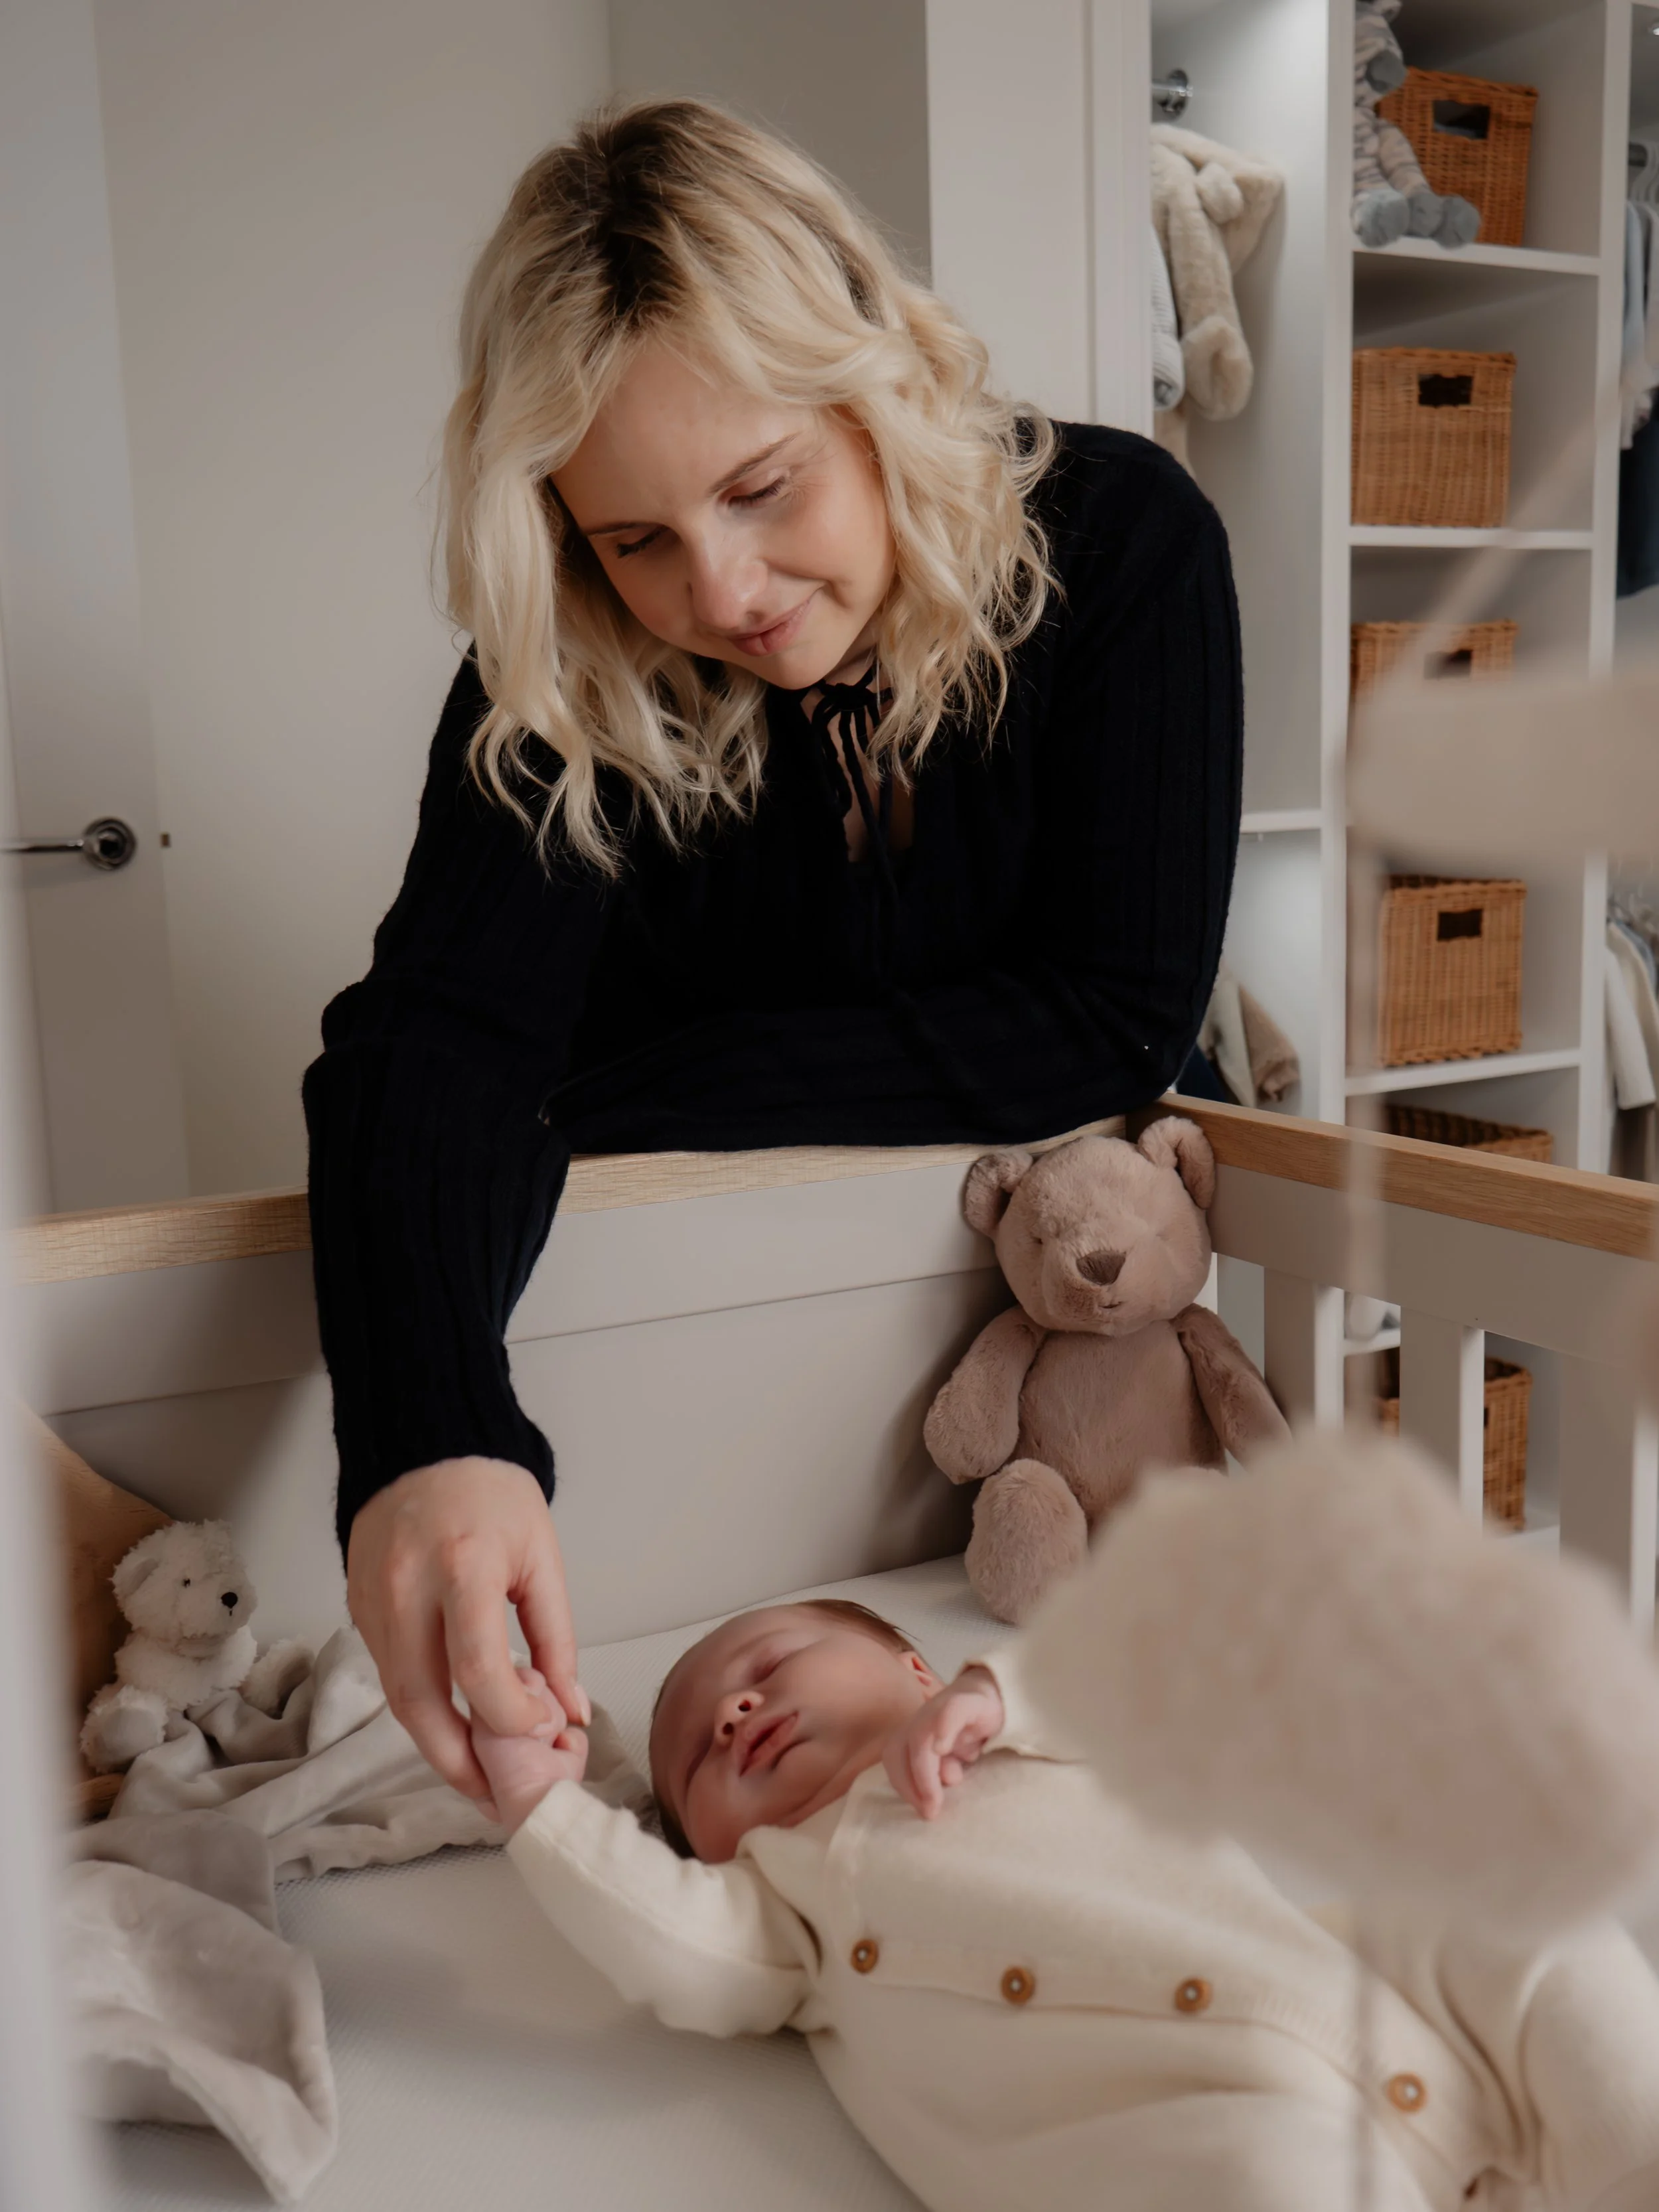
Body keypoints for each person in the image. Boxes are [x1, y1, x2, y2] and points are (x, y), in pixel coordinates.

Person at [301, 94, 1243, 1807]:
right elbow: (424, 1038)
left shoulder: (1116, 538)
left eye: (760, 487)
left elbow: (1101, 1020)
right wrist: (428, 1433)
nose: (720, 590)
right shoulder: (569, 655)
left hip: (1045, 1305)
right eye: (634, 535)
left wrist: (595, 1087)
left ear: (881, 385)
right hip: (726, 1317)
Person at [470, 1545, 1659, 2212]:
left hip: (1355, 1987)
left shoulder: (1027, 1724)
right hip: (1200, 2128)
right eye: (695, 1760)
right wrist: (537, 1799)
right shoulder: (778, 1905)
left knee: (1521, 1935)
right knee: (1265, 2187)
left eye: (769, 1665)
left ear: (912, 1659)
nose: (733, 1715)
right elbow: (667, 1938)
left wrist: (994, 1694)